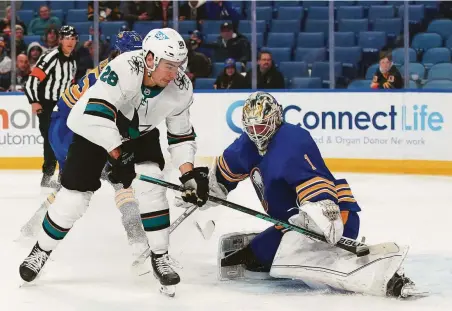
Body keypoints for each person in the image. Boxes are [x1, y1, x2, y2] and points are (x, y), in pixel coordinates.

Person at [19, 28, 209, 298]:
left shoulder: (181, 88)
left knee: (152, 186)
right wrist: (119, 155)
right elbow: (97, 114)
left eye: (179, 66)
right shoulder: (122, 67)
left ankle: (160, 255)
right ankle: (41, 250)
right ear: (151, 59)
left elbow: (181, 135)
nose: (174, 73)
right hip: (94, 127)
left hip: (138, 132)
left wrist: (188, 174)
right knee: (74, 198)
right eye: (169, 66)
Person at [203, 92, 421, 298]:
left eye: (261, 126)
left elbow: (317, 185)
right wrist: (202, 188)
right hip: (291, 225)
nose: (257, 133)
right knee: (252, 259)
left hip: (334, 216)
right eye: (251, 128)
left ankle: (388, 280)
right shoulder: (245, 145)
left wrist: (321, 215)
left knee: (314, 272)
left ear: (275, 119)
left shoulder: (293, 141)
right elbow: (221, 178)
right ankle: (300, 252)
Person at [24, 26, 78, 188]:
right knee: (52, 141)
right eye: (66, 38)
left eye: (73, 38)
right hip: (47, 106)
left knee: (66, 140)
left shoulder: (73, 61)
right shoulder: (51, 57)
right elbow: (32, 82)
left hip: (64, 107)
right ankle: (47, 178)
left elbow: (70, 84)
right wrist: (35, 101)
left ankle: (63, 176)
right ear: (60, 40)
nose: (70, 41)